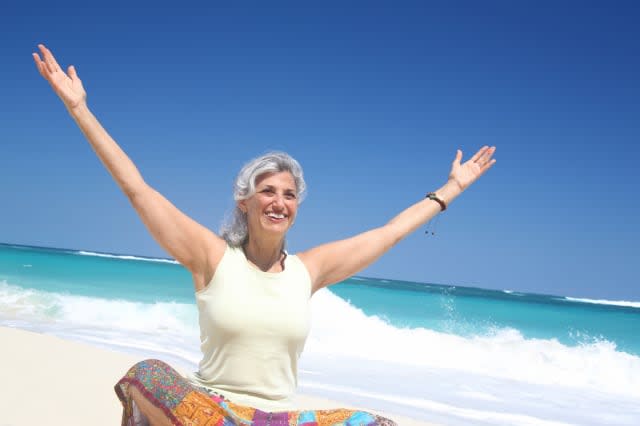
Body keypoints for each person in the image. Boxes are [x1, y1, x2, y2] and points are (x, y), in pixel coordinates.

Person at [33, 44, 496, 426]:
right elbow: (138, 190)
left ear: (296, 208)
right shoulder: (211, 258)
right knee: (148, 373)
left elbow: (390, 233)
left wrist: (450, 190)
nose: (279, 201)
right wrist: (80, 109)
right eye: (268, 191)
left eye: (290, 194)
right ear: (245, 201)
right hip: (210, 412)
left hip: (277, 421)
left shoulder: (308, 270)